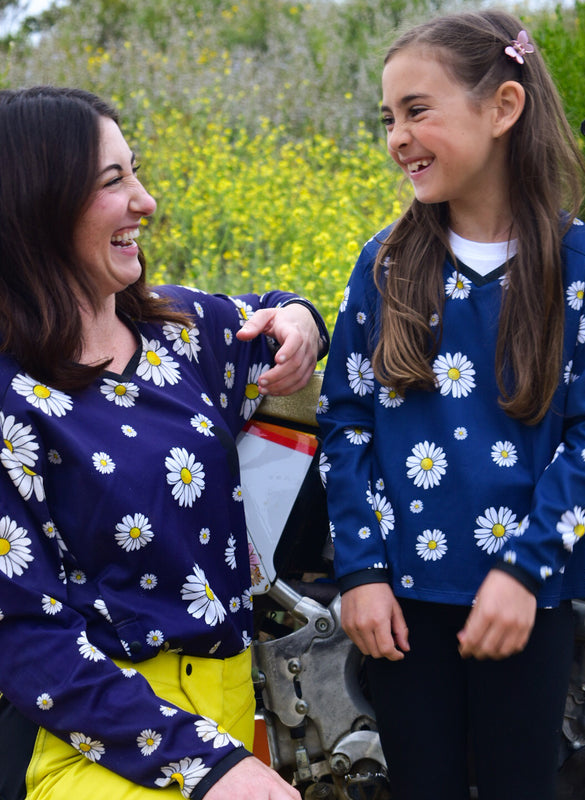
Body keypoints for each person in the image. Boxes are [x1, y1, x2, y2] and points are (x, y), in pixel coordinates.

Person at [0, 86, 329, 800]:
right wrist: (207, 764)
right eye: (112, 181)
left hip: (229, 708)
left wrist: (301, 323)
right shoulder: (11, 398)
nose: (145, 201)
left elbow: (277, 309)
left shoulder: (181, 333)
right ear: (38, 206)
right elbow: (23, 636)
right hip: (93, 738)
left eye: (135, 171)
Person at [318, 10, 585, 800]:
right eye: (387, 118)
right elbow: (346, 422)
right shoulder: (385, 264)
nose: (397, 136)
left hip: (526, 601)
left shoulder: (582, 266)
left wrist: (523, 569)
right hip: (402, 607)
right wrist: (360, 572)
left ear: (503, 109)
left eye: (417, 110)